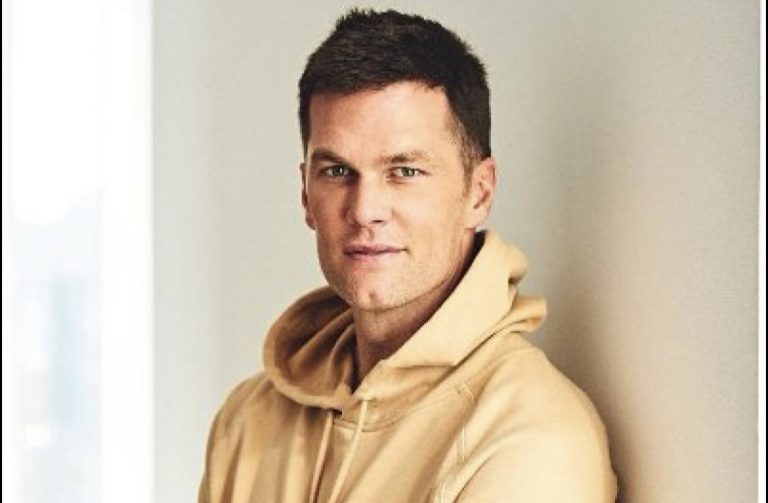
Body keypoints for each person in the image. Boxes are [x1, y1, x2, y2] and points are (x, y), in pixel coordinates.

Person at [198, 8, 617, 503]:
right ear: (305, 194)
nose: (365, 210)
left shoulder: (532, 439)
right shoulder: (249, 419)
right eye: (336, 171)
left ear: (479, 192)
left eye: (404, 171)